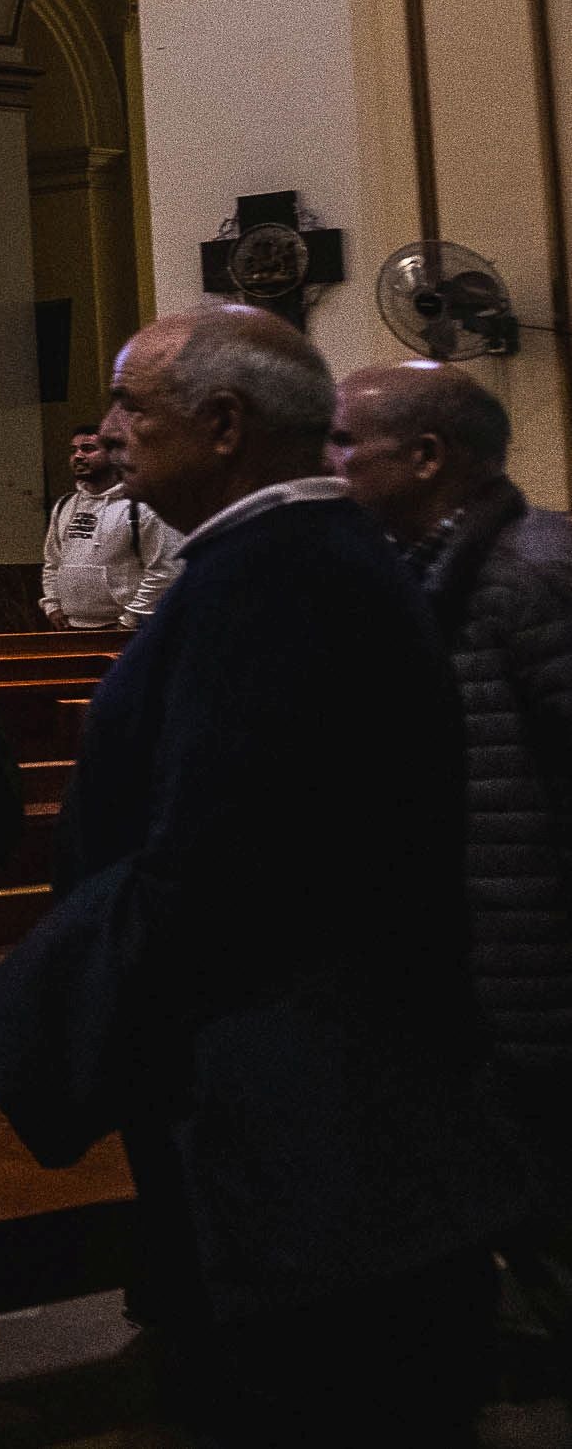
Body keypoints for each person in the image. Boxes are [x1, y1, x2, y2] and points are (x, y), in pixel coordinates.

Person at [0, 308, 524, 1448]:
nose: (109, 430)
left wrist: (55, 1027)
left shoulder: (279, 578)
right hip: (310, 1104)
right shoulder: (296, 562)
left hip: (306, 1124)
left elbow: (216, 869)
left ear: (222, 425)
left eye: (131, 405)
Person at [331, 360, 572, 1329]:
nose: (326, 462)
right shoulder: (427, 569)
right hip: (486, 958)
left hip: (542, 962)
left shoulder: (530, 568)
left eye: (345, 441)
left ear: (428, 455)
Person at [39, 424, 172, 631]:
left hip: (122, 629)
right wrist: (53, 604)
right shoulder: (65, 505)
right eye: (73, 450)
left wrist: (131, 619)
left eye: (88, 448)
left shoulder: (141, 506)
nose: (78, 456)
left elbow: (163, 569)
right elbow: (52, 561)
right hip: (70, 626)